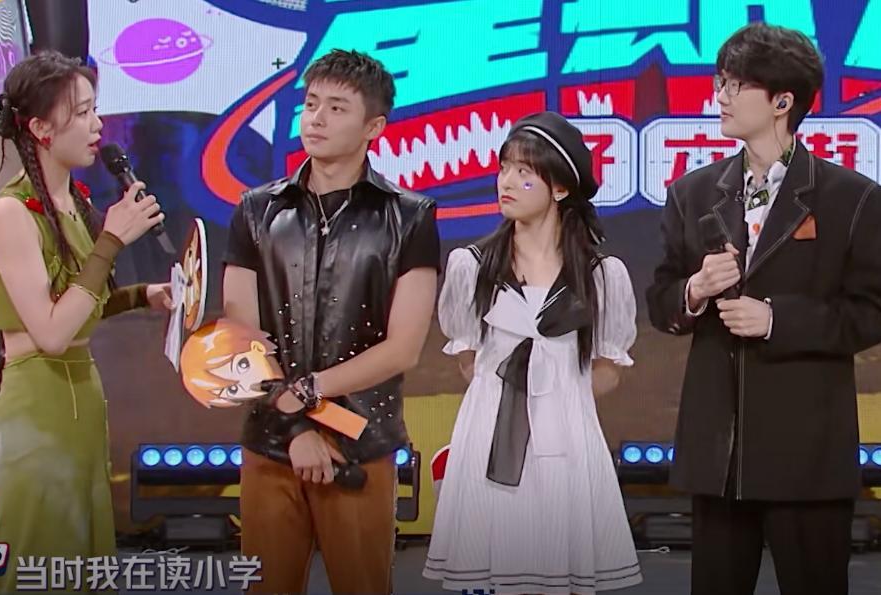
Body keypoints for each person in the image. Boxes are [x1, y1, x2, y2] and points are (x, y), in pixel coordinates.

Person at [646, 22, 881, 595]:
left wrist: (778, 319)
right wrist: (695, 290)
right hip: (719, 455)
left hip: (806, 452)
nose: (720, 96)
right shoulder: (693, 193)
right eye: (719, 82)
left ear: (783, 101)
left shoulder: (851, 198)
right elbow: (661, 300)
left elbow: (871, 311)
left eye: (736, 85)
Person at [222, 49, 440, 593]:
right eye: (311, 103)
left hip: (360, 445)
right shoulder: (257, 210)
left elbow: (403, 348)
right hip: (271, 444)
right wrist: (295, 426)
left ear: (374, 127)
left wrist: (309, 394)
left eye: (336, 108)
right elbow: (239, 330)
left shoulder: (410, 217)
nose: (315, 118)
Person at [424, 111, 642, 595]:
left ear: (560, 188)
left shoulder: (600, 275)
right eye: (504, 168)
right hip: (491, 432)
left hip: (567, 435)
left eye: (524, 172)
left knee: (559, 563)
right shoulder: (472, 266)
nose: (507, 182)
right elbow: (469, 358)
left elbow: (608, 367)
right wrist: (514, 397)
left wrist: (560, 396)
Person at [0, 51, 171, 593]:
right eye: (82, 113)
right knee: (37, 557)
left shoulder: (73, 202)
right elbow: (50, 332)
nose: (97, 126)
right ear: (41, 129)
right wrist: (111, 240)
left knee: (82, 561)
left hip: (83, 400)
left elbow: (79, 305)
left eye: (96, 110)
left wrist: (142, 295)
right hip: (36, 407)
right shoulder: (10, 212)